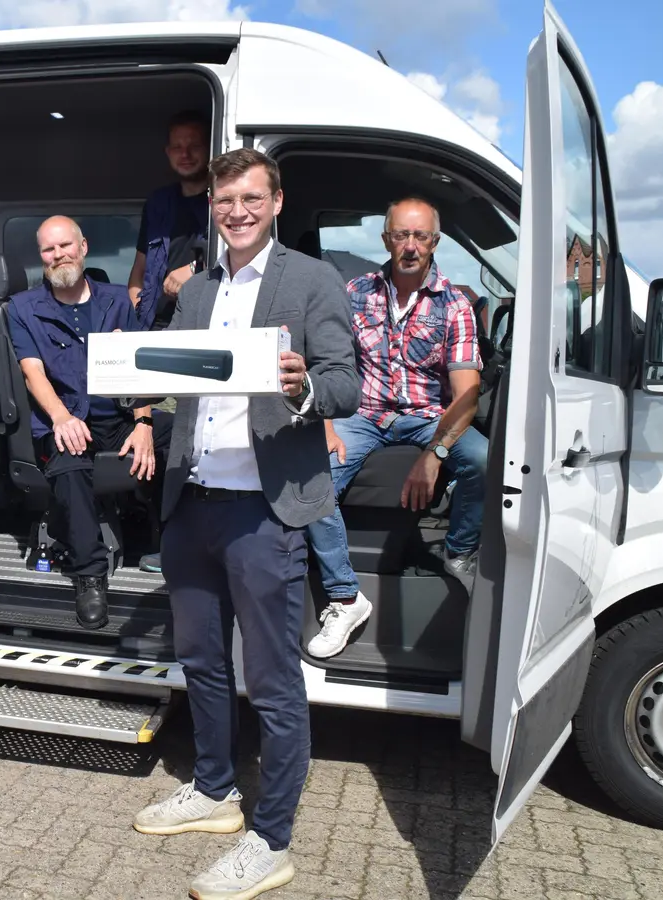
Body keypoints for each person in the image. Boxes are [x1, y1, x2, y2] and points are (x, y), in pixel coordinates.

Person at [130, 148, 359, 900]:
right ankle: (215, 790)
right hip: (191, 503)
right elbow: (174, 384)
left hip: (265, 511)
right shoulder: (196, 290)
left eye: (250, 198)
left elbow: (346, 381)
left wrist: (301, 389)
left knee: (271, 682)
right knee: (201, 662)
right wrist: (140, 404)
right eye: (226, 199)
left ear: (277, 202)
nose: (236, 211)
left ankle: (273, 840)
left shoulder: (311, 280)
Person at [303, 197, 487, 660]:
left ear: (434, 242)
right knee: (310, 480)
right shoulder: (356, 292)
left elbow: (467, 395)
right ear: (386, 239)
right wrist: (325, 424)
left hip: (429, 418)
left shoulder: (455, 305)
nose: (410, 246)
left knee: (484, 461)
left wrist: (435, 455)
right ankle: (346, 597)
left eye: (420, 236)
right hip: (361, 412)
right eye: (401, 235)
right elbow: (328, 361)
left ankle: (459, 551)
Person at [7, 216, 172, 631]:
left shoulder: (118, 302)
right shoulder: (23, 309)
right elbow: (33, 372)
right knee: (70, 463)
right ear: (41, 257)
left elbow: (141, 370)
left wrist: (144, 423)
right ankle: (90, 575)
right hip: (66, 419)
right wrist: (61, 417)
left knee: (188, 434)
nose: (58, 255)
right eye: (48, 249)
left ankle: (174, 543)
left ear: (83, 247)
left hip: (116, 415)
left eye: (65, 245)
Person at [126, 109, 212, 332]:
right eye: (177, 147)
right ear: (168, 152)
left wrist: (195, 269)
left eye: (194, 146)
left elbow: (239, 257)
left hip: (203, 324)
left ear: (209, 148)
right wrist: (138, 309)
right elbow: (139, 269)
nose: (185, 154)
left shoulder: (224, 201)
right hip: (157, 326)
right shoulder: (158, 203)